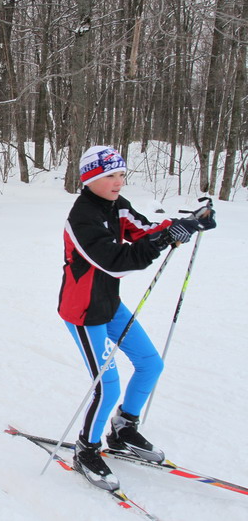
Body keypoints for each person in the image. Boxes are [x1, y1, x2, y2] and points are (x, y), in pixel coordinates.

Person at [59, 146, 216, 492]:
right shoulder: (82, 217)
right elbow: (115, 260)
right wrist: (162, 239)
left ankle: (123, 428)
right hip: (83, 311)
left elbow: (143, 228)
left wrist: (187, 223)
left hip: (110, 303)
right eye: (109, 176)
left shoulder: (116, 205)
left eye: (120, 175)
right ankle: (86, 448)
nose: (118, 182)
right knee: (107, 384)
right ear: (90, 179)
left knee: (150, 364)